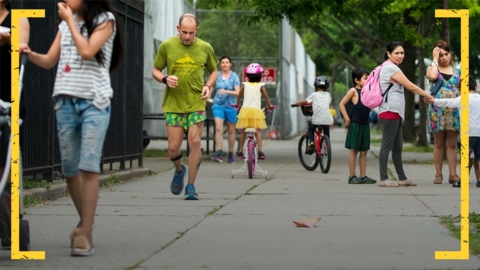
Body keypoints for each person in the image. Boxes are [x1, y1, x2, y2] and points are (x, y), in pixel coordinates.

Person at [21, 0, 123, 256]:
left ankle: (86, 234)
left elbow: (88, 51)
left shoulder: (105, 20)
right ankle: (86, 219)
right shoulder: (66, 25)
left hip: (94, 103)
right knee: (69, 168)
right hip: (64, 102)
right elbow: (49, 60)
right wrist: (29, 53)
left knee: (88, 166)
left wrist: (69, 22)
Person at [152, 13, 218, 200]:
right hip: (173, 104)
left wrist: (208, 85)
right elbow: (155, 70)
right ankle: (179, 170)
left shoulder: (205, 47)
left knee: (195, 142)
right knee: (173, 149)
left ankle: (191, 186)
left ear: (196, 30)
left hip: (196, 103)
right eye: (184, 32)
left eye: (191, 33)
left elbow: (214, 71)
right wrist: (165, 78)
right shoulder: (167, 46)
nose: (187, 37)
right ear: (177, 29)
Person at [377, 41, 431, 187]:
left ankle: (402, 178)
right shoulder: (389, 68)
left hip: (395, 112)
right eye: (397, 53)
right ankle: (383, 178)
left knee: (397, 146)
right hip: (390, 111)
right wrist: (427, 95)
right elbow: (411, 86)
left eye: (402, 53)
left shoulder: (392, 67)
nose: (400, 56)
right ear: (389, 54)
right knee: (386, 146)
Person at [0, 0, 30, 249]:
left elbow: (22, 50)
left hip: (6, 101)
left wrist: (9, 42)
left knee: (6, 170)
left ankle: (10, 224)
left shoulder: (18, 19)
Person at [425, 75, 480, 188]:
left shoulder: (463, 98)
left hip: (468, 133)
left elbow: (447, 102)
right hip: (479, 133)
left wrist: (433, 100)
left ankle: (463, 180)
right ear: (475, 86)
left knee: (465, 158)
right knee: (479, 158)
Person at [425, 40, 461, 185]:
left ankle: (453, 174)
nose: (444, 57)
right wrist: (434, 60)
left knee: (452, 144)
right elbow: (432, 77)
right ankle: (438, 174)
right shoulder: (432, 68)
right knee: (439, 143)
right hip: (436, 110)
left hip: (453, 111)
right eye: (441, 55)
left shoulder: (458, 72)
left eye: (446, 54)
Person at [339, 68, 376, 184]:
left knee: (364, 151)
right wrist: (347, 118)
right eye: (366, 78)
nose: (368, 81)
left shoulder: (368, 91)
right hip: (355, 124)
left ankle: (363, 176)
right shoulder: (353, 91)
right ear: (356, 80)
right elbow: (342, 104)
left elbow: (369, 107)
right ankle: (352, 176)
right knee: (354, 150)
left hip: (365, 124)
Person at [235, 63, 273, 160]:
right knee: (258, 131)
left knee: (243, 130)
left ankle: (240, 150)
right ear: (260, 75)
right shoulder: (261, 85)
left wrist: (238, 104)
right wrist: (270, 106)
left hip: (245, 110)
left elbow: (239, 96)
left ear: (247, 75)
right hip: (256, 111)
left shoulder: (244, 84)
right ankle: (260, 150)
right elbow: (266, 97)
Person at [292, 76, 333, 154]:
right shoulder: (328, 95)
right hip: (328, 120)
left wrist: (296, 103)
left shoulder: (314, 95)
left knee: (311, 129)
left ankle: (311, 142)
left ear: (316, 86)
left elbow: (305, 101)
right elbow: (330, 99)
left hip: (317, 120)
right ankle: (326, 145)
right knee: (326, 130)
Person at [211, 55, 240, 164]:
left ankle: (231, 154)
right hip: (218, 105)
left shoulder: (234, 76)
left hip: (231, 106)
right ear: (220, 64)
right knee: (218, 128)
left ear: (230, 64)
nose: (224, 64)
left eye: (227, 62)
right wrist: (207, 93)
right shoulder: (216, 75)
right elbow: (212, 86)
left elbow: (238, 92)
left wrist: (227, 91)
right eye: (223, 62)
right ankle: (219, 154)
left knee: (231, 130)